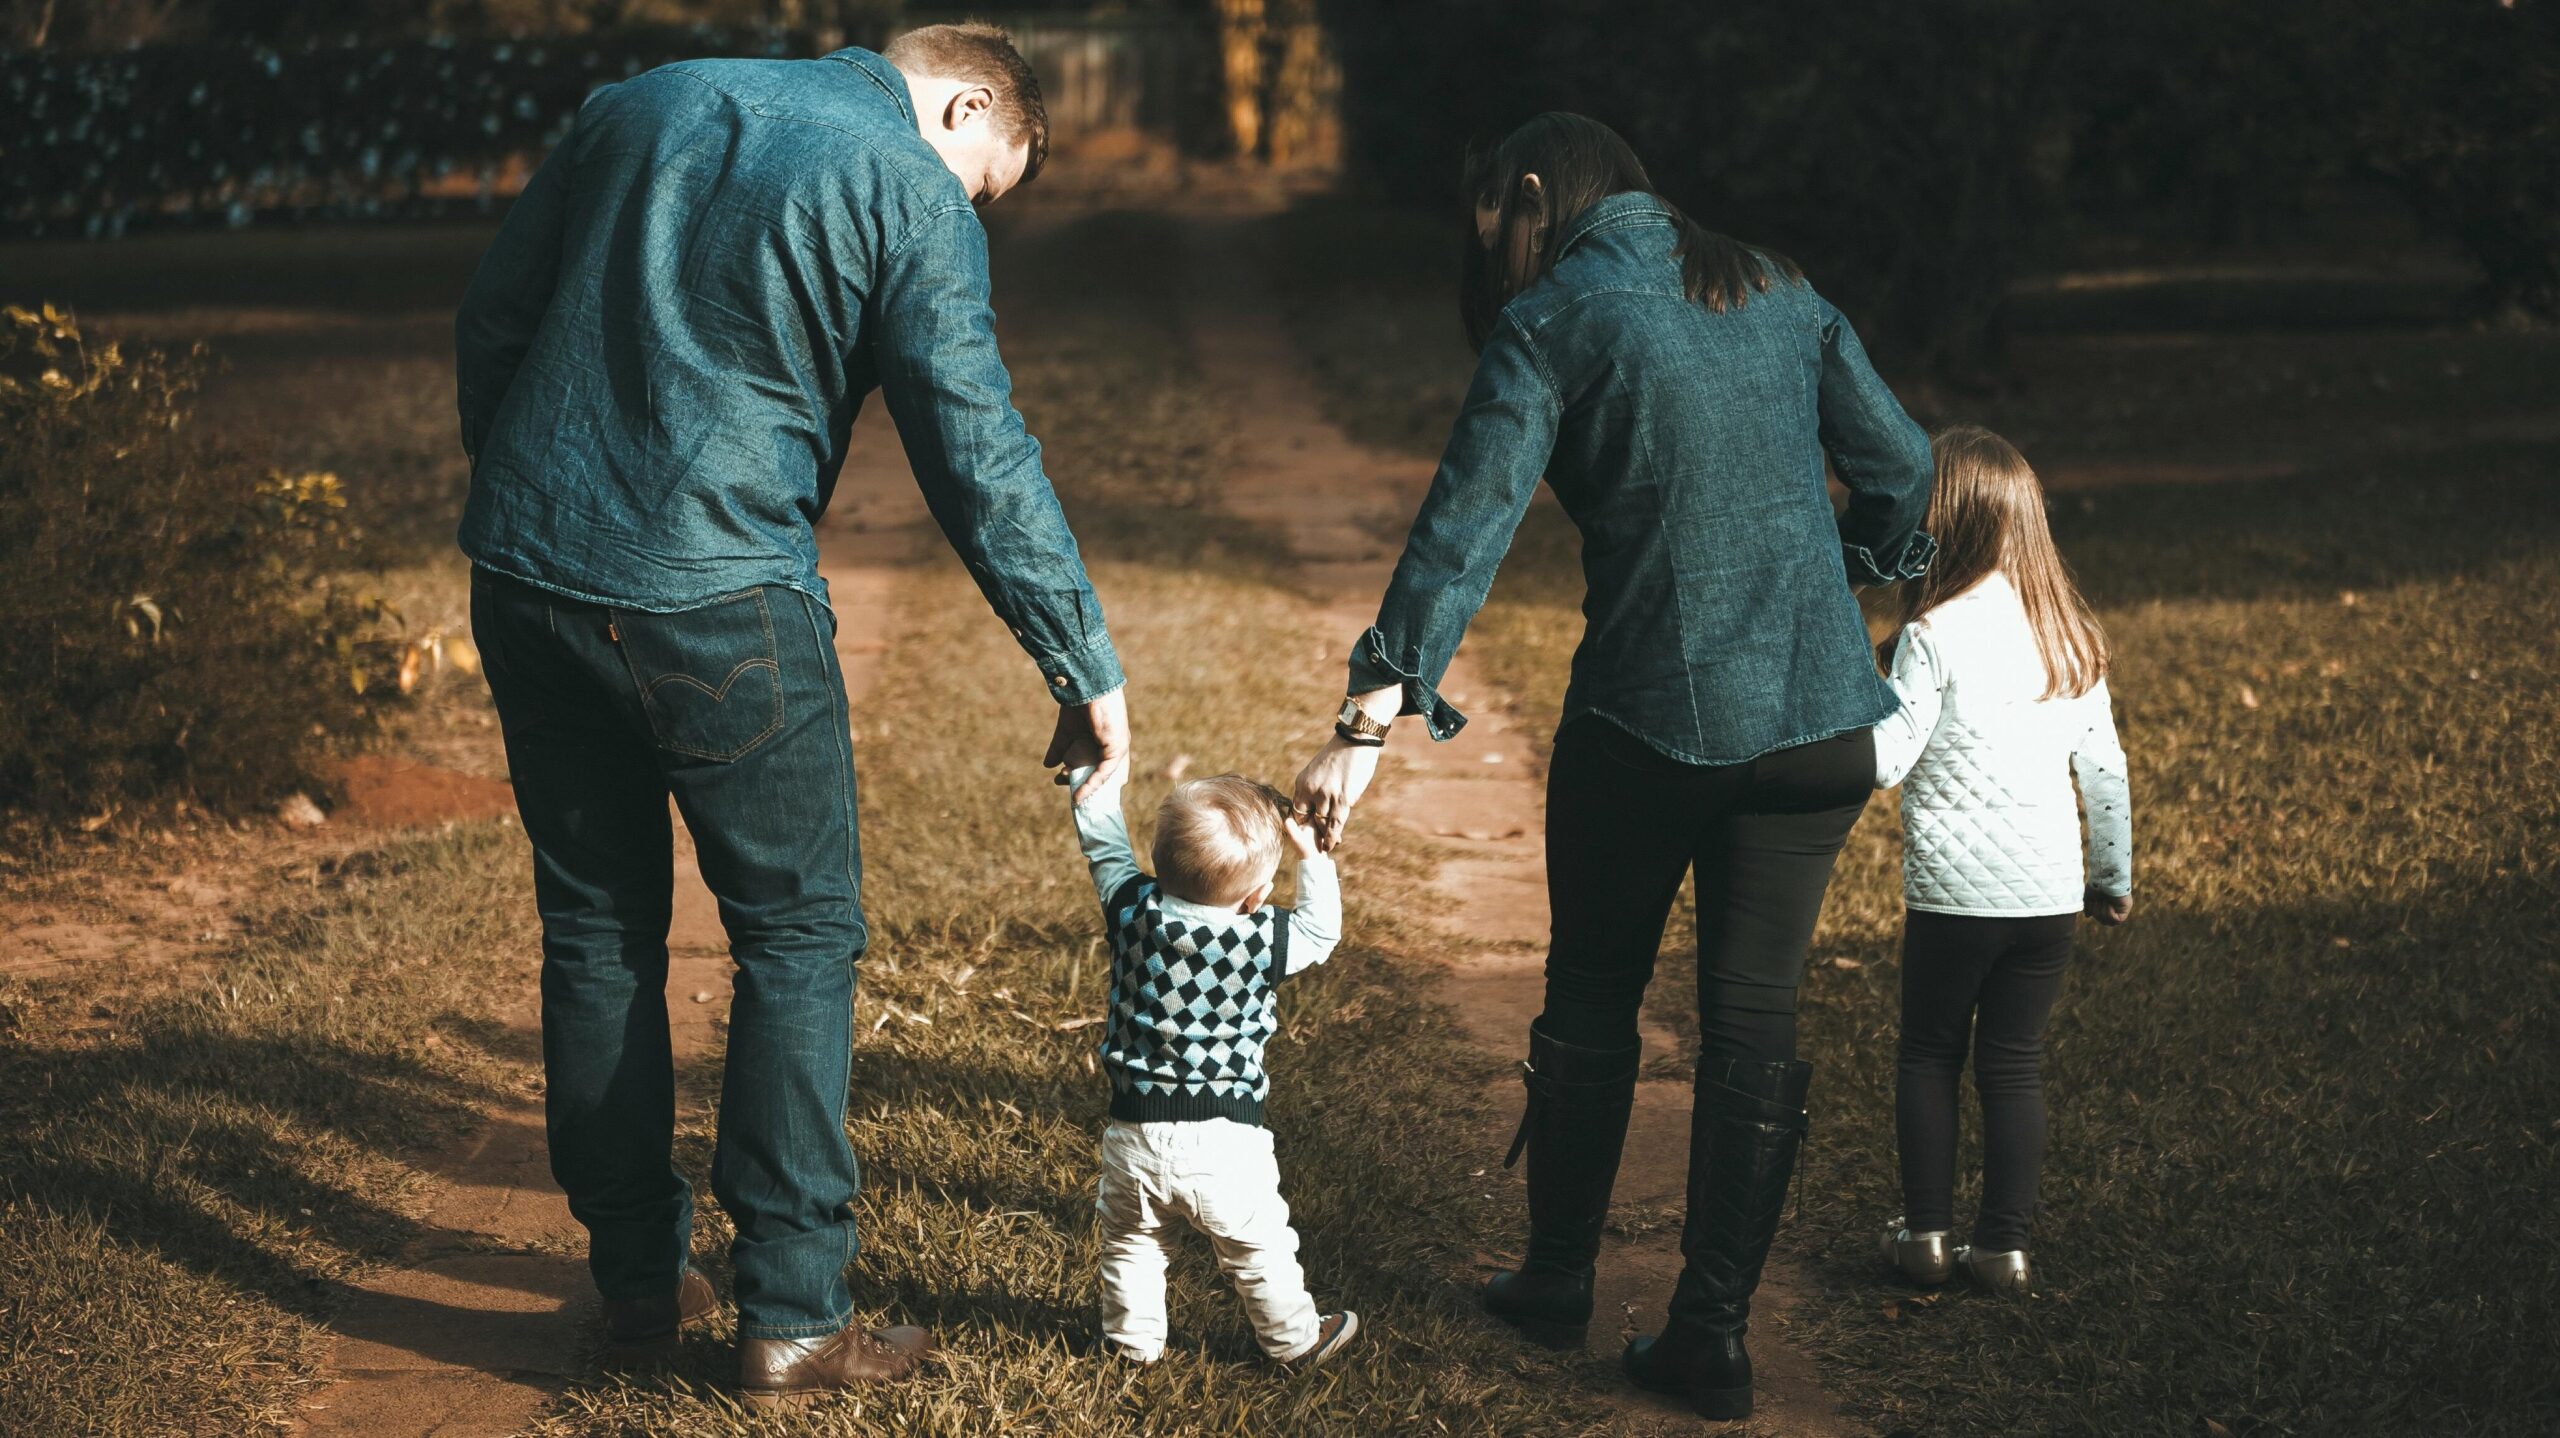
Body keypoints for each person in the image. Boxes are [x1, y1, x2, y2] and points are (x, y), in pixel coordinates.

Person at [454, 24, 1132, 1407]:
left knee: (595, 925)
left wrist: (534, 507)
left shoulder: (637, 101)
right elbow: (974, 445)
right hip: (721, 598)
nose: (970, 209)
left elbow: (493, 318)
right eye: (984, 181)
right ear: (958, 101)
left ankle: (639, 1280)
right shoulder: (906, 184)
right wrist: (1079, 660)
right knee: (799, 935)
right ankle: (797, 1312)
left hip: (527, 573)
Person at [1291, 113, 1936, 1420]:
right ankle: (1712, 1335)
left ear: (1533, 196)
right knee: (1755, 1015)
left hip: (1649, 726)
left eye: (1503, 233)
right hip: (1820, 730)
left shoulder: (1556, 319)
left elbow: (1457, 541)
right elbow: (1906, 466)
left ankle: (1554, 1279)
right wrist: (1863, 570)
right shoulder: (1779, 284)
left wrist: (1363, 728)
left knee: (1592, 990)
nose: (1507, 263)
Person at [1871, 425, 2133, 1298]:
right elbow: (2103, 770)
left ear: (1940, 522)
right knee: (2014, 1063)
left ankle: (1926, 1240)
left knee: (1930, 1055)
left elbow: (1887, 761)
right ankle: (2004, 1251)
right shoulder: (2070, 637)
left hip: (1952, 900)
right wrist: (2111, 879)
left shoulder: (1933, 635)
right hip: (2048, 898)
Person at [1065, 766, 1362, 1367]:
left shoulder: (1132, 911)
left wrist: (1093, 773)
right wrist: (1311, 857)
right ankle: (1296, 1341)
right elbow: (1322, 932)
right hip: (1226, 1143)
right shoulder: (1263, 938)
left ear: (1159, 862)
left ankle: (1131, 1346)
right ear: (1255, 897)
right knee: (1258, 1250)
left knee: (1132, 1246)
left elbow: (1102, 846)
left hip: (1133, 1135)